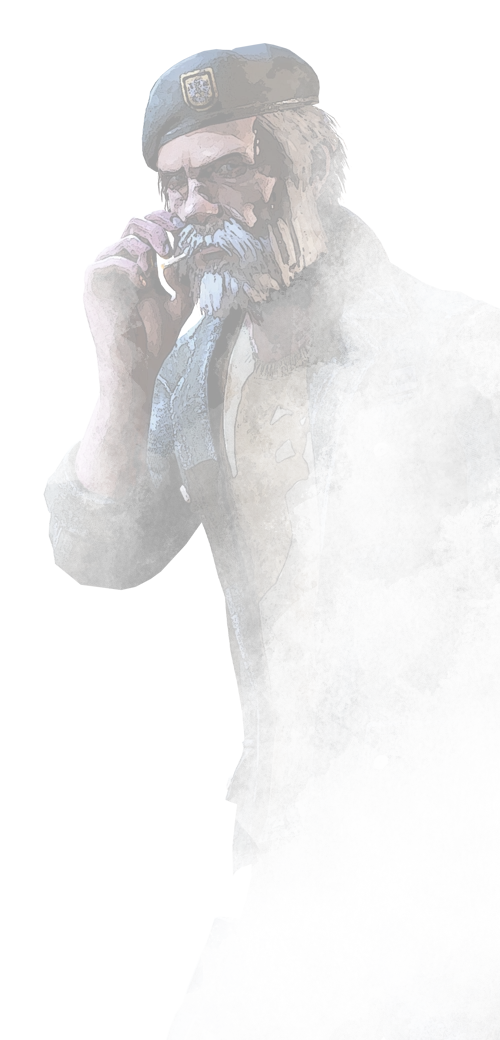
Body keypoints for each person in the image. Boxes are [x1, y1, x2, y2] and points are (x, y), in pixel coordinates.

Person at [45, 48, 500, 1040]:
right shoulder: (194, 373)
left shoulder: (448, 345)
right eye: (174, 185)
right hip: (283, 864)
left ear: (314, 167)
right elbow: (95, 553)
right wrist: (120, 369)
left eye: (224, 171)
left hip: (437, 867)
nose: (195, 207)